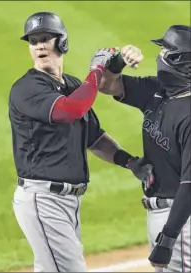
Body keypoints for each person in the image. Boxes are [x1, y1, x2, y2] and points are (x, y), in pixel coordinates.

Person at [8, 11, 153, 272]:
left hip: (67, 202)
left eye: (46, 38)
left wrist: (130, 162)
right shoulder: (26, 88)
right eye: (33, 41)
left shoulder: (72, 85)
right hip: (43, 199)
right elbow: (70, 110)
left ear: (62, 42)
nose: (39, 45)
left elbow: (95, 138)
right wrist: (96, 71)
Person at [98, 25, 191, 272]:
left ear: (181, 62)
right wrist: (118, 61)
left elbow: (189, 185)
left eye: (166, 51)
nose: (159, 56)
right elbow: (106, 85)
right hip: (158, 213)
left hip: (182, 221)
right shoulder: (157, 91)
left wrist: (168, 237)